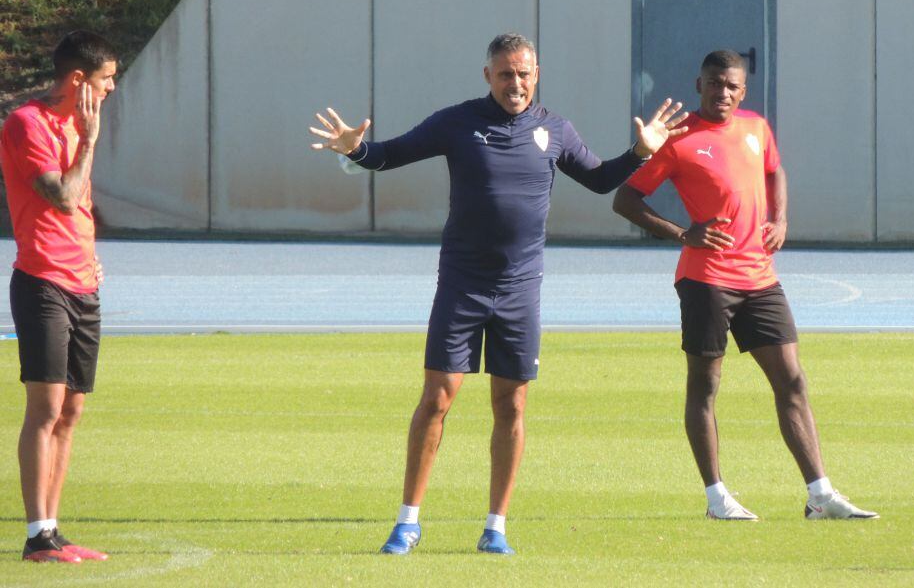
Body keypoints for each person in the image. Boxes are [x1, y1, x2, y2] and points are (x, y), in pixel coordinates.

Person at [309, 33, 687, 555]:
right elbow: (389, 155)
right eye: (506, 73)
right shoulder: (457, 121)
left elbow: (601, 182)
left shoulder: (555, 129)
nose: (516, 83)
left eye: (525, 73)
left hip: (519, 292)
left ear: (538, 74)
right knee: (437, 398)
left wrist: (641, 153)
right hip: (462, 286)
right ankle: (407, 521)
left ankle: (495, 528)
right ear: (487, 74)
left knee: (511, 406)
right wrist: (355, 149)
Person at [612, 49, 877, 522]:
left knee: (792, 380)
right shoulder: (679, 139)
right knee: (706, 386)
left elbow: (775, 171)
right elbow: (626, 200)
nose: (724, 92)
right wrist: (682, 233)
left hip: (759, 277)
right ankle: (717, 498)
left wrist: (780, 217)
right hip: (707, 279)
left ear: (743, 91)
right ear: (700, 85)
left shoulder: (756, 128)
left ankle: (820, 495)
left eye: (732, 86)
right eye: (715, 84)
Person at [1, 31, 118, 563]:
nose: (112, 87)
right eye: (106, 78)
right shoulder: (27, 123)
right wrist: (90, 142)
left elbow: (83, 211)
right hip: (42, 282)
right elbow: (65, 197)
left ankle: (54, 531)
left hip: (82, 284)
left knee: (72, 409)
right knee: (45, 407)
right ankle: (35, 534)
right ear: (78, 80)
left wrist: (91, 257)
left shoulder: (77, 122)